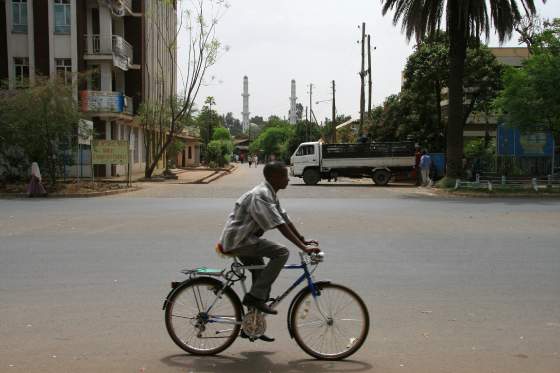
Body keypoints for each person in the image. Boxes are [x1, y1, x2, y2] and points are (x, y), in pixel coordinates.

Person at [217, 161, 320, 319]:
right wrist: (303, 248)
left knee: (261, 273)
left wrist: (303, 240)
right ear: (274, 177)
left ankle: (252, 323)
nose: (288, 179)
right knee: (282, 252)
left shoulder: (270, 193)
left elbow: (284, 219)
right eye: (285, 176)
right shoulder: (262, 194)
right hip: (239, 241)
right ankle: (255, 298)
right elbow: (280, 225)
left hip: (243, 240)